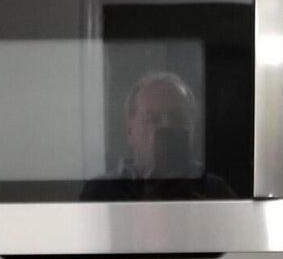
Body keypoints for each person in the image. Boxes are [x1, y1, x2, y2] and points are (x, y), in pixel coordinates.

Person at [80, 71, 235, 200]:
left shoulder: (214, 190)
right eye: (152, 119)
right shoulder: (100, 191)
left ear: (192, 128)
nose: (166, 126)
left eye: (177, 118)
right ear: (129, 131)